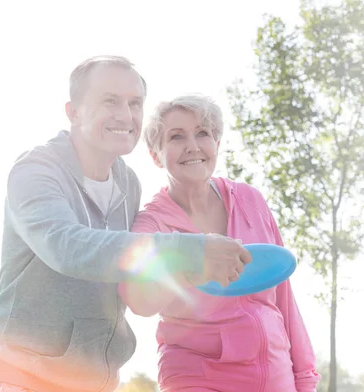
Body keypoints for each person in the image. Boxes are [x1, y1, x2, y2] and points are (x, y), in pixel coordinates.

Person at [0, 57, 252, 392]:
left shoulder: (129, 183)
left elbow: (130, 265)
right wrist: (192, 250)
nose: (126, 115)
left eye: (135, 103)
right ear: (74, 111)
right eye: (110, 101)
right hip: (23, 377)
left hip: (98, 381)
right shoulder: (35, 171)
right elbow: (67, 247)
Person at [119, 95, 320, 392]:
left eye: (203, 133)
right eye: (176, 137)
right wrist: (190, 265)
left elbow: (284, 297)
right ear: (156, 155)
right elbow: (138, 300)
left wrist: (304, 378)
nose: (193, 146)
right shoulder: (151, 225)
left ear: (217, 143)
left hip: (276, 373)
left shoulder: (250, 200)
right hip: (196, 376)